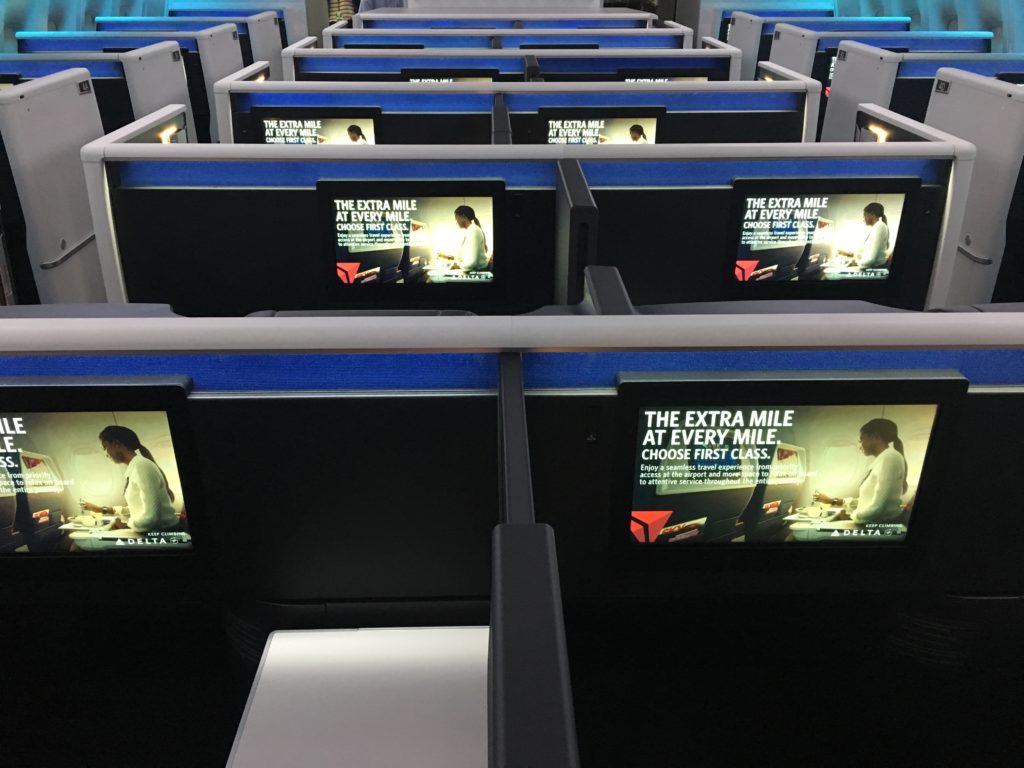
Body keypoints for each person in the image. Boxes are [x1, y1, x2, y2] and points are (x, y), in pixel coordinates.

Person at [81, 426, 181, 534]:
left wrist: (127, 524)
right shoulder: (135, 468)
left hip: (161, 532)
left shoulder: (142, 467)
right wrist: (100, 509)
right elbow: (137, 508)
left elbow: (152, 517)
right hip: (151, 530)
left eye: (105, 447)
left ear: (116, 443)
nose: (106, 454)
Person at [813, 418, 908, 524]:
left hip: (880, 525)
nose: (859, 446)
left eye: (861, 440)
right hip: (874, 521)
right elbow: (866, 501)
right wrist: (833, 501)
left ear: (875, 436)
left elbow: (879, 507)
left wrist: (852, 517)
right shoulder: (883, 459)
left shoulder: (890, 458)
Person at [837, 202, 890, 269]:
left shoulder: (879, 227)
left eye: (864, 215)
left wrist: (857, 262)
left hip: (876, 267)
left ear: (872, 214)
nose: (863, 218)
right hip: (873, 266)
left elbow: (871, 259)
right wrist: (854, 255)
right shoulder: (877, 227)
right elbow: (868, 251)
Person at [440, 205, 489, 272]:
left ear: (463, 216)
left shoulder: (474, 230)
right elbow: (467, 256)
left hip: (479, 271)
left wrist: (459, 265)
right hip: (475, 270)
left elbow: (472, 262)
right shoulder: (470, 230)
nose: (456, 222)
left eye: (456, 218)